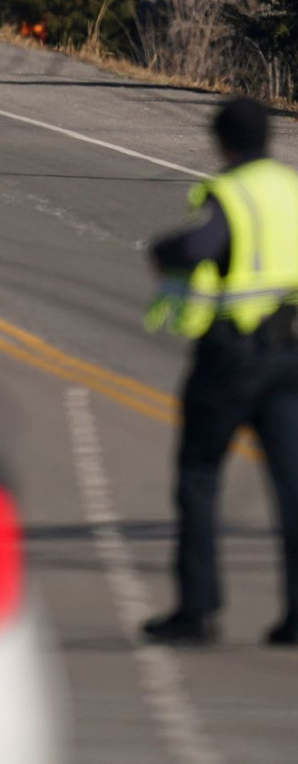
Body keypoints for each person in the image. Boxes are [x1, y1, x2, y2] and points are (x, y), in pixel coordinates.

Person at [142, 96, 298, 646]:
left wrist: (162, 248)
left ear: (221, 140)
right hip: (291, 354)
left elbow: (200, 244)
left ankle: (197, 609)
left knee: (200, 474)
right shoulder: (291, 189)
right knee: (291, 485)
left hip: (235, 354)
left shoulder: (232, 193)